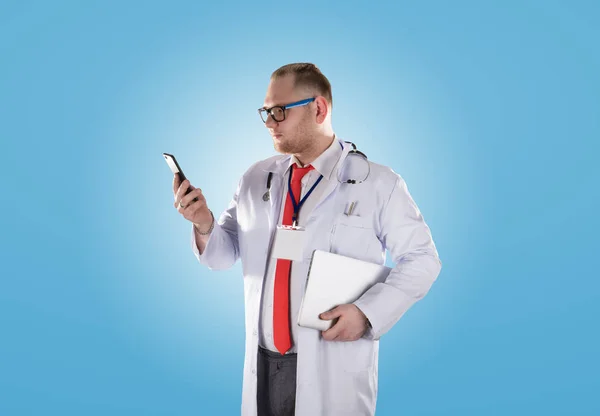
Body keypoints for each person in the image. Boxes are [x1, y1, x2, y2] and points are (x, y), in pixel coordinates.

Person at [172, 63, 442, 416]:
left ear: (319, 109)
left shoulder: (379, 184)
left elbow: (423, 260)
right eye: (265, 112)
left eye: (280, 111)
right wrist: (204, 222)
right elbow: (223, 256)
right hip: (264, 363)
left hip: (331, 364)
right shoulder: (256, 178)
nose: (270, 122)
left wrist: (366, 313)